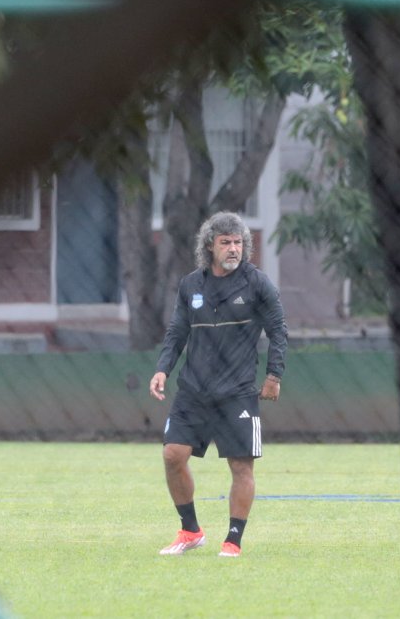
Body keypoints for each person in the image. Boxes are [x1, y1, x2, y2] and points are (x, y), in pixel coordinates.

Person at [149, 211, 287, 558]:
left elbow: (278, 331)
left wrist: (274, 375)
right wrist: (163, 368)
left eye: (239, 242)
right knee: (172, 455)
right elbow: (177, 332)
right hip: (193, 390)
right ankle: (190, 530)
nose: (233, 248)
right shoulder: (191, 286)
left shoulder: (257, 284)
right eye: (226, 242)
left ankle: (233, 540)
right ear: (210, 245)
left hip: (237, 392)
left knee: (241, 467)